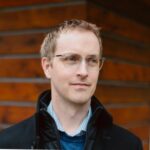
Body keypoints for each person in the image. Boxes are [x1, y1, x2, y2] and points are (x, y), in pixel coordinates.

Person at [0, 19, 143, 149]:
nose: (83, 71)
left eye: (92, 60)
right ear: (47, 66)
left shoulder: (128, 145)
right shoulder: (9, 144)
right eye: (71, 59)